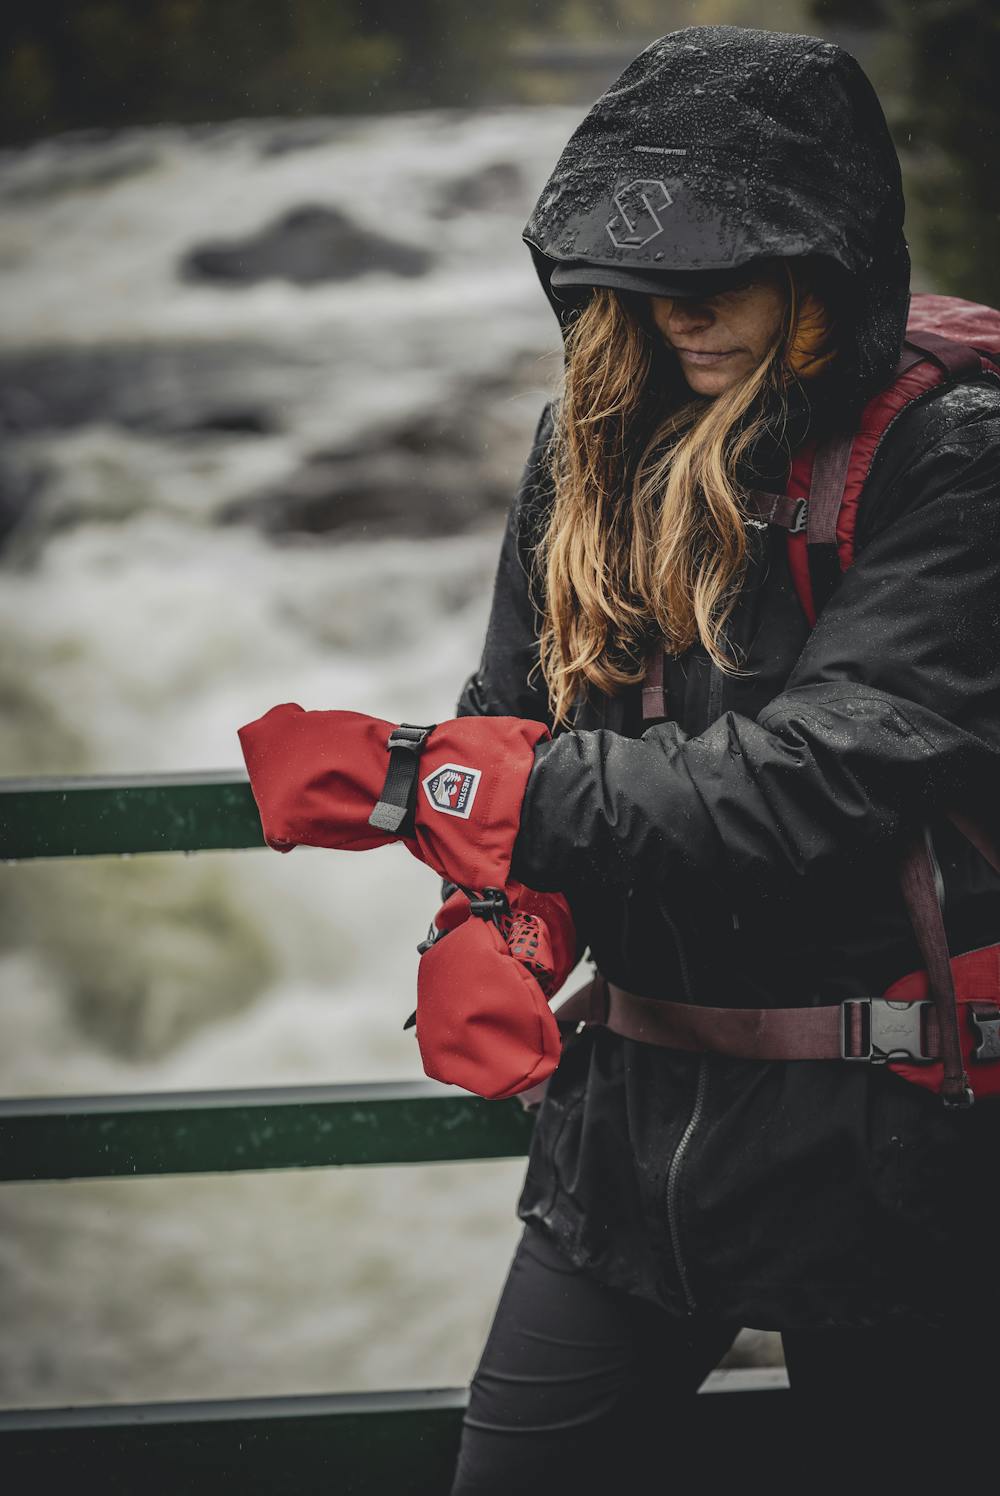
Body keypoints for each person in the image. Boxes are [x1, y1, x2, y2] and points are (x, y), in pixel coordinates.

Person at [441, 23, 1000, 1494]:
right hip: (629, 1139)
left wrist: (445, 789)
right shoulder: (587, 451)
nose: (676, 315)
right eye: (644, 283)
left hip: (894, 1154)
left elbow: (809, 781)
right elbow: (515, 713)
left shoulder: (957, 461)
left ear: (824, 264)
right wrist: (494, 913)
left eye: (717, 277)